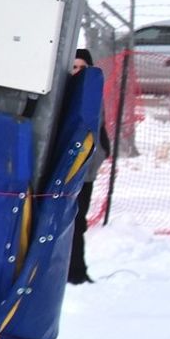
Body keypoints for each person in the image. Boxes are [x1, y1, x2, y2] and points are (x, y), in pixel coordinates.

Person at [68, 49, 111, 284]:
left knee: (77, 221)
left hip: (84, 170)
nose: (76, 72)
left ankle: (76, 271)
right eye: (73, 67)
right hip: (63, 168)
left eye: (81, 68)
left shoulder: (92, 96)